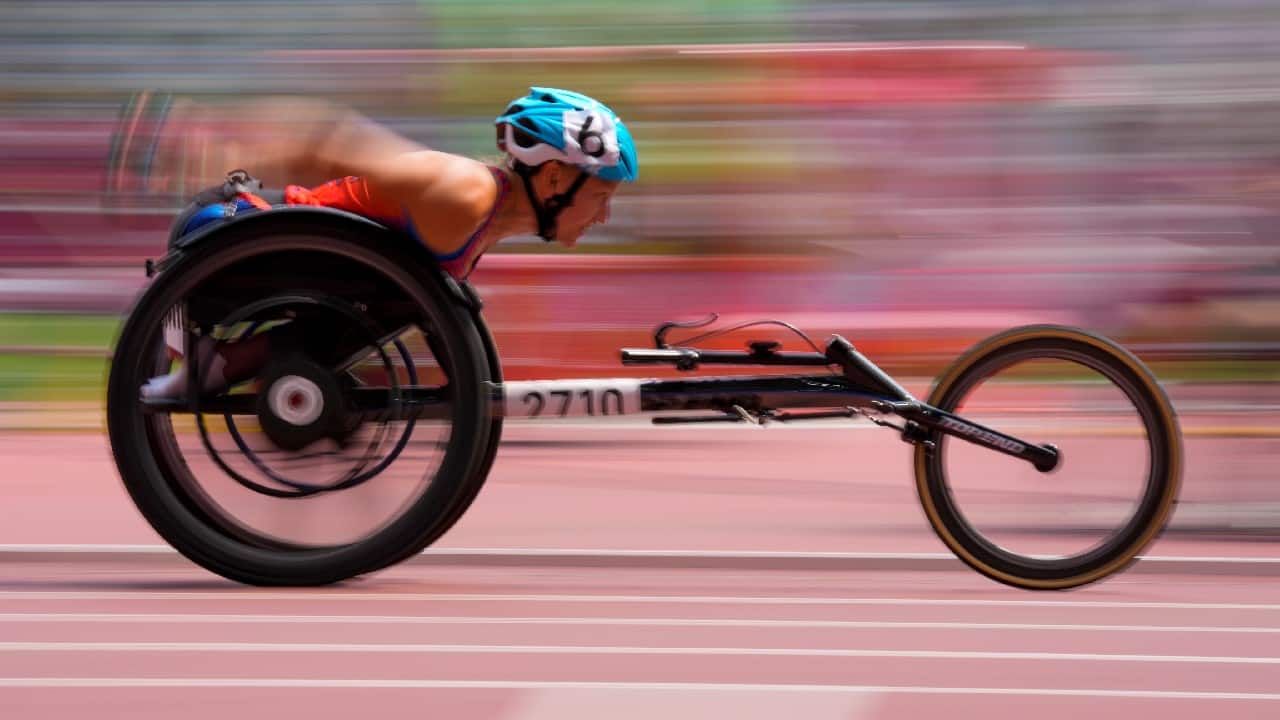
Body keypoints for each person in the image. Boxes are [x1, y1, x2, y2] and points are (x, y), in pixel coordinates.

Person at [138, 87, 639, 399]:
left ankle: (222, 362)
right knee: (402, 299)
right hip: (228, 232)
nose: (605, 215)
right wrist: (210, 140)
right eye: (601, 195)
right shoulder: (464, 192)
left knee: (409, 299)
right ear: (553, 179)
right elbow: (329, 142)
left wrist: (477, 392)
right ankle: (213, 363)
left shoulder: (486, 218)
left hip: (276, 256)